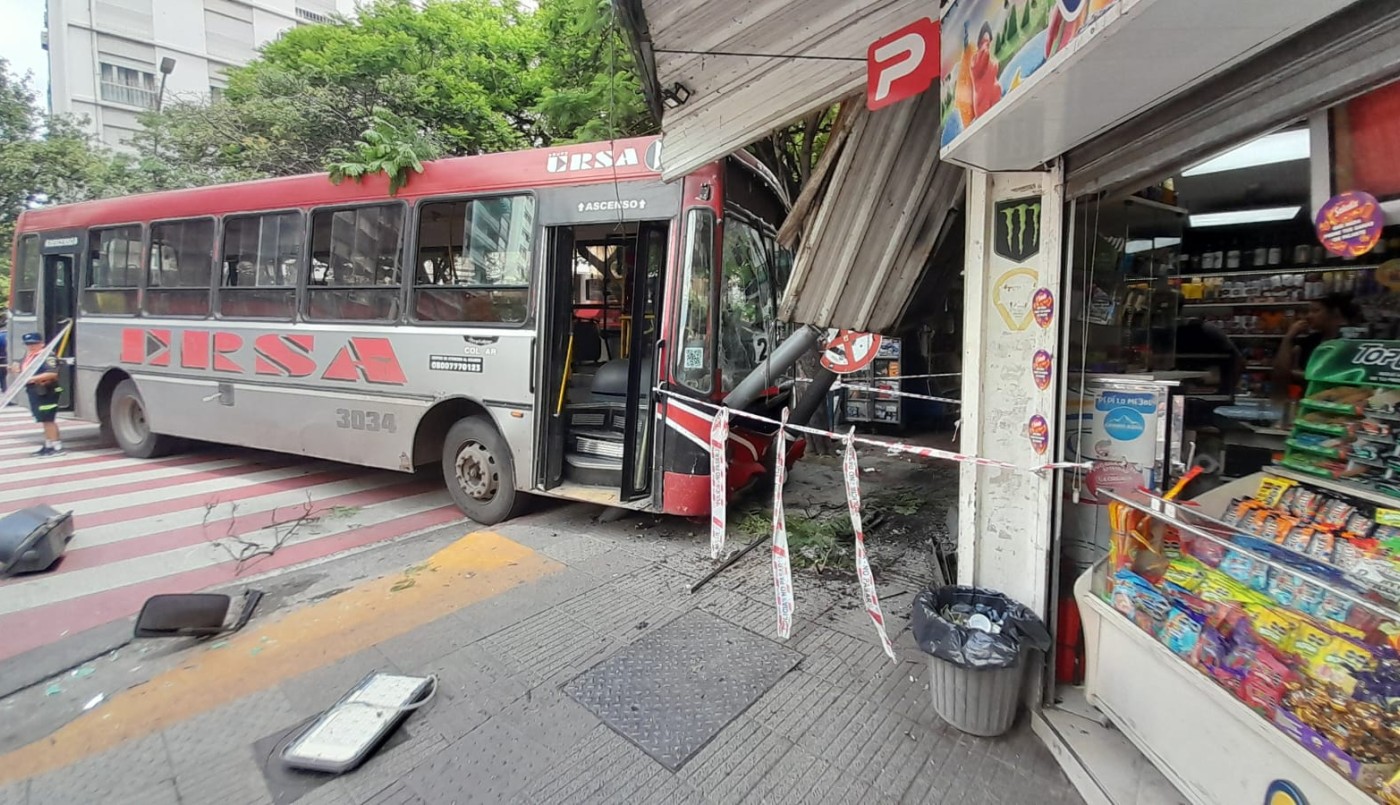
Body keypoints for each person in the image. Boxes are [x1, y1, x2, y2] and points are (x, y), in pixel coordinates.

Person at [1274, 292, 1364, 387]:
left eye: (1315, 311)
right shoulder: (1311, 341)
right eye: (1308, 311)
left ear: (1335, 312)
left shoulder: (1352, 343)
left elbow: (1342, 378)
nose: (1308, 316)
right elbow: (1280, 373)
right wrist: (1288, 337)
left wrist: (1301, 375)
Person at [15, 333, 63, 456]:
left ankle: (56, 447)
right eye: (28, 344)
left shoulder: (47, 356)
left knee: (48, 419)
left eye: (34, 343)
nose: (31, 346)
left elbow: (52, 373)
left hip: (46, 391)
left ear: (42, 343)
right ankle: (48, 445)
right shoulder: (30, 356)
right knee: (43, 419)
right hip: (35, 390)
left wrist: (31, 378)